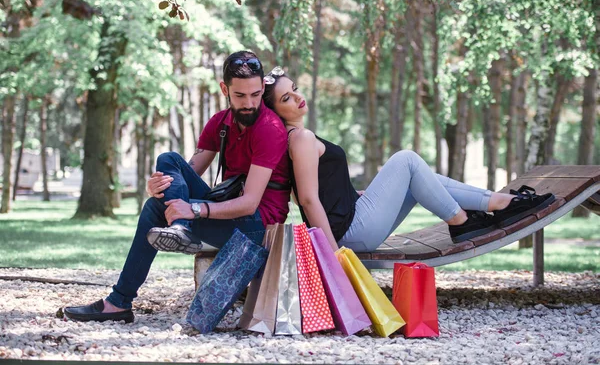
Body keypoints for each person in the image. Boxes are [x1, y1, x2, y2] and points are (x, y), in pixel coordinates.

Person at [63, 51, 291, 323]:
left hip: (258, 229)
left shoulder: (269, 128)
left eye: (255, 94)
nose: (249, 103)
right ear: (224, 90)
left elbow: (249, 203)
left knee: (153, 210)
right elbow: (187, 173)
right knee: (168, 160)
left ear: (262, 88)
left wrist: (193, 209)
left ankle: (119, 302)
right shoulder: (220, 123)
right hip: (228, 216)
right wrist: (158, 186)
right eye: (240, 96)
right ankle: (179, 230)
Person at [260, 66, 555, 252]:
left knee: (417, 179)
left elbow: (316, 192)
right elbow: (308, 201)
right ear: (275, 111)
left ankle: (498, 203)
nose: (297, 97)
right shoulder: (300, 138)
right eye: (286, 98)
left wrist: (352, 195)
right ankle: (463, 218)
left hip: (352, 221)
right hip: (348, 234)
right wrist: (330, 252)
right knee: (407, 160)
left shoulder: (297, 138)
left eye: (294, 89)